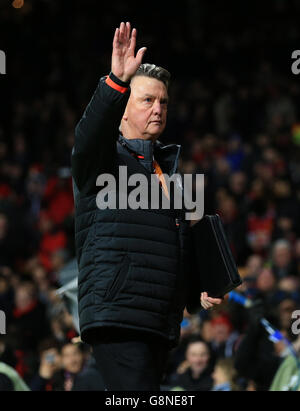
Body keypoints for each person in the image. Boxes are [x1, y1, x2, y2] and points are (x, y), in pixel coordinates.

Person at [71, 21, 222, 391]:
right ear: (122, 109)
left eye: (164, 102)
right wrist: (115, 83)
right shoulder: (104, 160)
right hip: (118, 314)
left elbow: (173, 245)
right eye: (147, 100)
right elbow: (88, 135)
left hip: (158, 321)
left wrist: (194, 290)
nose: (158, 109)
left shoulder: (169, 173)